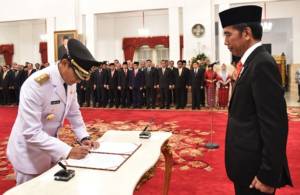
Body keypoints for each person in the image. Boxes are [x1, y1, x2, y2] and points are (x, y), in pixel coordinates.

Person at [219, 5, 292, 195]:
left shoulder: (262, 64)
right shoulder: (250, 62)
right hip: (246, 166)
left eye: (228, 34)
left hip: (256, 173)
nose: (225, 41)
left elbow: (275, 125)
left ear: (246, 33)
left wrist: (268, 175)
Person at [6, 39, 100, 185]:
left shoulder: (70, 81)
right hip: (29, 152)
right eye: (77, 76)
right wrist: (67, 151)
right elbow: (31, 132)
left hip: (51, 148)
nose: (78, 81)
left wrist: (83, 136)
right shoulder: (36, 85)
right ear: (64, 64)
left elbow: (74, 112)